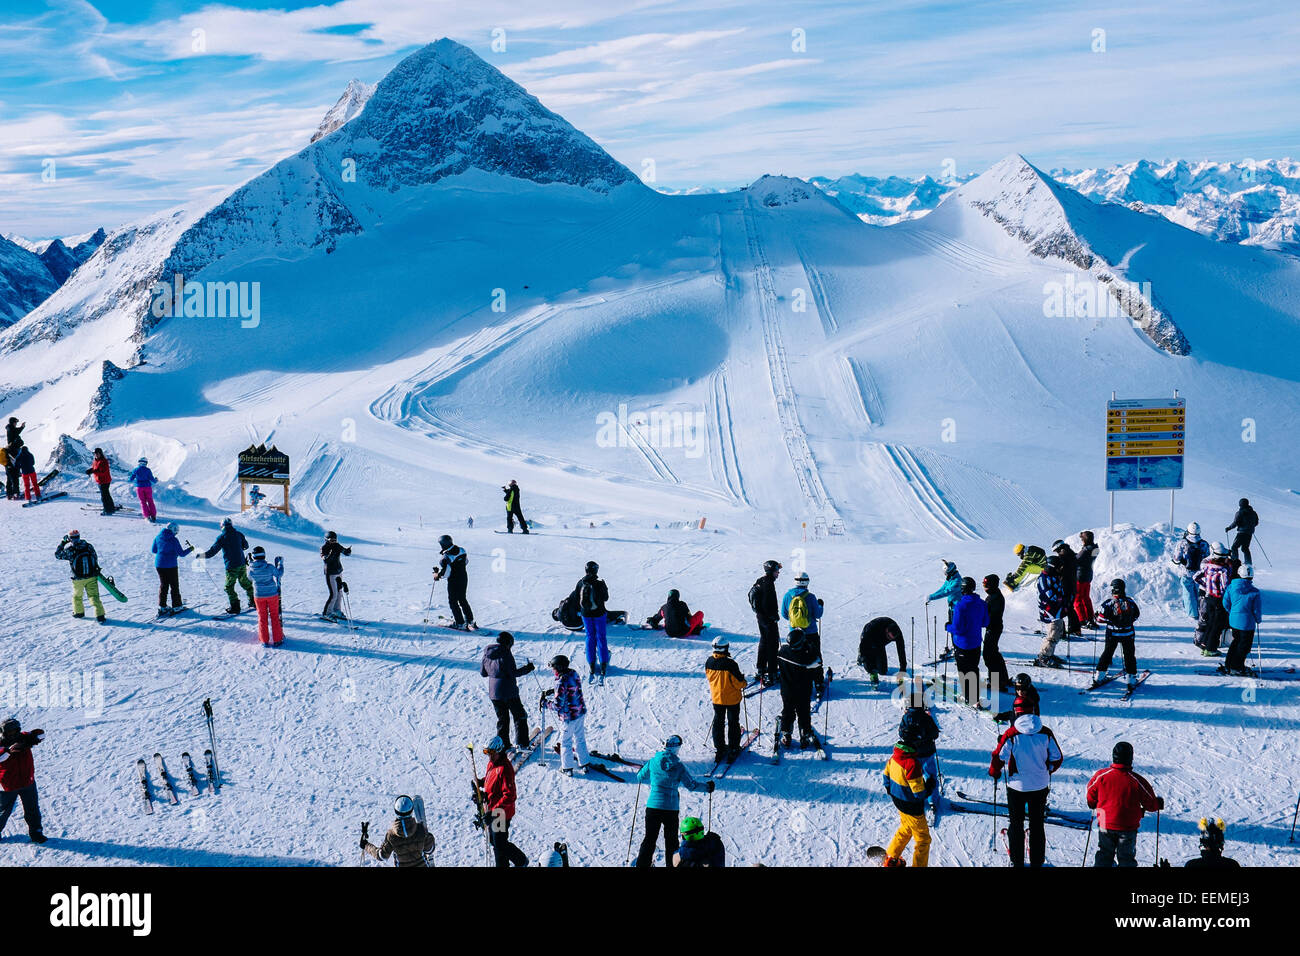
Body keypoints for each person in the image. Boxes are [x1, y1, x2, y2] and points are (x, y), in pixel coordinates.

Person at [989, 702, 1063, 867]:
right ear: (1034, 711)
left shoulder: (1011, 734)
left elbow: (998, 756)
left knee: (1016, 823)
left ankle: (1017, 861)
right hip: (1040, 785)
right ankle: (1037, 862)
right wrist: (1047, 770)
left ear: (1016, 712)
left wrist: (995, 772)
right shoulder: (1045, 732)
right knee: (1037, 824)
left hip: (1017, 787)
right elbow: (1057, 758)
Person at [634, 734, 710, 868]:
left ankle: (642, 865)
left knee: (649, 839)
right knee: (671, 841)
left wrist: (646, 771)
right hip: (671, 809)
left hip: (653, 807)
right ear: (676, 749)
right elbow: (691, 785)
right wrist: (708, 787)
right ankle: (672, 865)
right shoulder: (679, 767)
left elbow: (640, 777)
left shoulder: (653, 762)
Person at [1086, 741, 1163, 867]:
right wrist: (1157, 803)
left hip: (1105, 823)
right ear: (1130, 758)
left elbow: (1090, 793)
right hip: (1127, 827)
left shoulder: (1101, 776)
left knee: (1104, 855)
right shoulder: (1136, 780)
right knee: (1126, 859)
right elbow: (1151, 805)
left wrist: (1092, 803)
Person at [881, 737, 936, 867]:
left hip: (899, 802)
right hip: (912, 807)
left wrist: (893, 791)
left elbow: (886, 778)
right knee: (923, 840)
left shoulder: (894, 758)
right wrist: (930, 786)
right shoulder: (912, 764)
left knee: (906, 828)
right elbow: (919, 793)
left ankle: (891, 857)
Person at [476, 737, 529, 867]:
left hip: (501, 813)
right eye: (488, 754)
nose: (490, 757)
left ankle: (521, 860)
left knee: (499, 843)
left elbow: (510, 796)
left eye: (492, 754)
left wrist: (494, 812)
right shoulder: (492, 764)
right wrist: (481, 783)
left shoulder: (505, 768)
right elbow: (491, 781)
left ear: (499, 751)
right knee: (495, 842)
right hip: (493, 810)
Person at [480, 632, 534, 750]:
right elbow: (513, 673)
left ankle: (503, 745)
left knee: (503, 719)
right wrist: (528, 669)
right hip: (508, 691)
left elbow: (483, 673)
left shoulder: (487, 654)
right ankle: (522, 743)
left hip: (494, 693)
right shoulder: (506, 653)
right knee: (519, 715)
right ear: (508, 643)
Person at [541, 655, 591, 775]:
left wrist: (546, 703)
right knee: (580, 738)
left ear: (559, 668)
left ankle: (567, 768)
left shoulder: (560, 681)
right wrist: (553, 691)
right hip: (580, 712)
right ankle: (584, 763)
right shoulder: (573, 673)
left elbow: (558, 705)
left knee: (566, 741)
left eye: (553, 668)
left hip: (569, 718)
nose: (553, 671)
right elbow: (571, 688)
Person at [0, 717, 45, 843]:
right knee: (3, 811)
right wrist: (9, 750)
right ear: (3, 732)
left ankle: (36, 832)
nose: (13, 734)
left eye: (15, 731)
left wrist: (34, 737)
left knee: (32, 809)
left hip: (27, 782)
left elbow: (41, 735)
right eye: (10, 732)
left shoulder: (23, 737)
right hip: (8, 785)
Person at [781, 572, 825, 695]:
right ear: (807, 582)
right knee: (815, 656)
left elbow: (784, 614)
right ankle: (818, 682)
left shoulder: (787, 596)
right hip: (810, 632)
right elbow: (817, 614)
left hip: (794, 634)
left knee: (796, 657)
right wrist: (820, 605)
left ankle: (799, 681)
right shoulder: (810, 597)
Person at [898, 687, 940, 814]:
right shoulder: (926, 717)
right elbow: (935, 734)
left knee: (914, 776)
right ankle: (932, 799)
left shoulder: (906, 717)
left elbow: (900, 733)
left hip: (912, 754)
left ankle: (916, 797)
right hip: (927, 753)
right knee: (931, 775)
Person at [1093, 579, 1141, 690]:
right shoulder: (1131, 602)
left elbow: (1100, 619)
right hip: (1128, 633)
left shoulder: (1108, 603)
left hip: (1112, 634)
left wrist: (1098, 617)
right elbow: (1136, 615)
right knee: (1129, 655)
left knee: (1107, 654)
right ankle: (1131, 679)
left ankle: (1099, 677)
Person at [946, 577, 988, 707]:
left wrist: (948, 626)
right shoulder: (982, 603)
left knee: (964, 671)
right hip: (976, 643)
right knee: (973, 668)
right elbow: (985, 622)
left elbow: (958, 629)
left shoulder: (961, 605)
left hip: (963, 644)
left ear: (962, 589)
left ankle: (970, 698)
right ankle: (974, 697)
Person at [362, 795, 435, 867]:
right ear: (412, 810)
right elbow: (429, 850)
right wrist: (428, 836)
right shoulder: (420, 830)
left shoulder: (391, 835)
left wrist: (366, 845)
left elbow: (381, 856)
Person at [777, 630, 820, 748]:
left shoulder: (782, 652)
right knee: (803, 712)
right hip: (803, 690)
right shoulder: (806, 658)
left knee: (788, 710)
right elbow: (817, 663)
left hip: (787, 690)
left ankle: (786, 734)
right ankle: (804, 733)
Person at [705, 637, 746, 763]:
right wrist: (744, 682)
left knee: (718, 722)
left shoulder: (709, 662)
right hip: (732, 699)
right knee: (733, 723)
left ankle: (720, 748)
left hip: (717, 698)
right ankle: (733, 748)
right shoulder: (730, 664)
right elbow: (739, 683)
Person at [202, 518, 255, 614]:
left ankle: (235, 607)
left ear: (222, 526)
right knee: (245, 583)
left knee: (229, 587)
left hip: (231, 566)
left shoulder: (222, 537)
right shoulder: (239, 534)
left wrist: (201, 556)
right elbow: (246, 546)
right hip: (242, 564)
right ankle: (253, 601)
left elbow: (212, 552)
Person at [54, 530, 105, 623]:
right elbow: (95, 557)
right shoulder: (88, 546)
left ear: (69, 539)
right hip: (91, 576)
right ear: (79, 536)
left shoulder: (70, 550)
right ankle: (100, 615)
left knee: (77, 596)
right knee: (94, 596)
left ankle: (79, 612)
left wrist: (62, 543)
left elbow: (57, 555)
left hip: (77, 578)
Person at [1221, 566, 1262, 676]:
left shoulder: (1231, 587)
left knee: (1235, 642)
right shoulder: (1255, 592)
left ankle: (1229, 664)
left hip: (1234, 621)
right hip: (1247, 623)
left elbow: (1225, 603)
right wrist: (1258, 619)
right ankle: (1236, 667)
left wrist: (1232, 612)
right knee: (1244, 646)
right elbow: (1256, 609)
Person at [571, 561, 610, 678]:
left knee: (589, 636)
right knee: (601, 636)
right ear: (596, 570)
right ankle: (603, 662)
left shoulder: (580, 583)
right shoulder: (599, 584)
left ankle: (591, 663)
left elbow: (577, 598)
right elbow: (606, 598)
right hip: (599, 614)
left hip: (586, 614)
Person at [1193, 542, 1232, 656]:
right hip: (1218, 599)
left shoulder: (1208, 566)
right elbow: (1225, 587)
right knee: (1217, 625)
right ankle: (1211, 649)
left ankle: (1204, 645)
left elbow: (1195, 577)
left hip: (1208, 596)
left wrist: (1206, 586)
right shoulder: (1223, 570)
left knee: (1210, 623)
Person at [749, 559, 782, 686]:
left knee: (764, 641)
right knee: (772, 644)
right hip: (768, 619)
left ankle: (761, 668)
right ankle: (772, 672)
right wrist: (774, 616)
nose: (778, 573)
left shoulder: (761, 580)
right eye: (777, 571)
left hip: (760, 617)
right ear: (771, 571)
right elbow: (767, 603)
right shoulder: (768, 583)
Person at [151, 522, 194, 616]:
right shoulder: (173, 540)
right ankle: (177, 606)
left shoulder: (158, 537)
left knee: (164, 585)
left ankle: (162, 606)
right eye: (176, 531)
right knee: (174, 585)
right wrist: (190, 549)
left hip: (159, 565)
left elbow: (154, 550)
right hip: (170, 565)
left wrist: (164, 551)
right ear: (174, 530)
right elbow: (182, 554)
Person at [1033, 555, 1069, 667]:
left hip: (1056, 610)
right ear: (1052, 567)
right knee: (1053, 634)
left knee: (1057, 632)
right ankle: (1044, 657)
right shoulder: (1044, 579)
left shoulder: (1053, 576)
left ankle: (1049, 653)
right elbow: (1050, 595)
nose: (1060, 569)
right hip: (1049, 611)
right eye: (1058, 567)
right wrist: (1062, 600)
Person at [433, 534, 475, 630]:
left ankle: (460, 623)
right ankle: (470, 620)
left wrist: (437, 575)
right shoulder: (462, 550)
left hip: (454, 580)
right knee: (462, 599)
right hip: (464, 577)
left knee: (453, 601)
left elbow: (446, 573)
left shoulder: (446, 557)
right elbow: (466, 562)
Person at [247, 546, 284, 647]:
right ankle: (277, 639)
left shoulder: (250, 569)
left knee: (262, 617)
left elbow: (250, 578)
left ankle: (264, 640)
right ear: (264, 555)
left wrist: (250, 564)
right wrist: (280, 565)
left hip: (259, 595)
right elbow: (279, 574)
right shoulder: (270, 567)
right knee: (274, 616)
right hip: (272, 594)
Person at [1172, 522, 1209, 620]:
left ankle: (1192, 614)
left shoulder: (1182, 543)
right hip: (1199, 574)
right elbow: (1207, 559)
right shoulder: (1204, 544)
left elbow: (1176, 559)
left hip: (1186, 572)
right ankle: (1201, 610)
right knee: (1199, 592)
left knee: (1188, 593)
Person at [982, 574, 1011, 695]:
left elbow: (990, 617)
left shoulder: (995, 598)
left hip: (993, 628)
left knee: (989, 655)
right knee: (994, 653)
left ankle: (997, 683)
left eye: (986, 585)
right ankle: (1002, 678)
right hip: (993, 627)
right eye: (983, 585)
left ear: (992, 585)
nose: (984, 587)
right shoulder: (992, 595)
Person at [857, 616, 906, 686]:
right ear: (886, 631)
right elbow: (864, 645)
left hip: (880, 643)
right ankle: (860, 656)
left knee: (882, 671)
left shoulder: (898, 634)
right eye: (889, 637)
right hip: (869, 639)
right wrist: (864, 658)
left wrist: (902, 670)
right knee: (868, 661)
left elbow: (901, 651)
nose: (890, 639)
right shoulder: (872, 629)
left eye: (892, 639)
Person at [1050, 540, 1082, 635]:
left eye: (1057, 551)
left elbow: (1061, 571)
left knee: (1067, 607)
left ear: (1060, 548)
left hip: (1066, 585)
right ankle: (1075, 629)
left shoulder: (1064, 557)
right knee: (1069, 607)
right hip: (1071, 585)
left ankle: (1073, 629)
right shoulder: (1071, 554)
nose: (1057, 553)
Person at [320, 531, 352, 620]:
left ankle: (336, 610)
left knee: (339, 593)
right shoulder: (324, 548)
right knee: (333, 594)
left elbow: (345, 552)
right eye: (332, 540)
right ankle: (326, 613)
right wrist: (330, 555)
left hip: (338, 571)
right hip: (330, 573)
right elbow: (325, 559)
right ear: (326, 540)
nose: (334, 542)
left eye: (335, 540)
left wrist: (348, 551)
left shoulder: (337, 546)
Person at [1075, 531, 1099, 628]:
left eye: (1082, 539)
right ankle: (1090, 618)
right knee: (1086, 598)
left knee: (1077, 599)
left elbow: (1076, 559)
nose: (1081, 541)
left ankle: (1082, 620)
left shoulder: (1086, 550)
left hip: (1080, 576)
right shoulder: (1095, 548)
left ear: (1085, 539)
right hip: (1088, 575)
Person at [1225, 498, 1258, 565]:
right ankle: (1248, 563)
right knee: (1245, 548)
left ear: (1240, 504)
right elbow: (1256, 522)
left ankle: (1235, 562)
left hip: (1241, 533)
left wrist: (1229, 528)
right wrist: (1250, 527)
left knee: (1234, 547)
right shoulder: (1253, 513)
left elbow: (1235, 523)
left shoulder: (1240, 512)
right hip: (1249, 533)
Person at [86, 447, 117, 514]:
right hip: (100, 481)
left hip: (104, 481)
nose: (96, 455)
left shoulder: (103, 461)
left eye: (97, 453)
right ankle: (111, 508)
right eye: (95, 454)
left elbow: (102, 471)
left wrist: (93, 471)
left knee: (104, 496)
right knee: (106, 495)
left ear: (100, 454)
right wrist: (90, 470)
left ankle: (107, 510)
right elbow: (95, 468)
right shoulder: (95, 461)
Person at [128, 457, 159, 522]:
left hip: (139, 487)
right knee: (150, 501)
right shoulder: (148, 470)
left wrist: (129, 478)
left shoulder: (135, 470)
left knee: (143, 502)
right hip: (148, 487)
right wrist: (156, 480)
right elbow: (152, 479)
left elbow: (130, 479)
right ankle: (153, 515)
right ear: (146, 463)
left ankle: (147, 516)